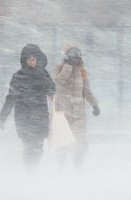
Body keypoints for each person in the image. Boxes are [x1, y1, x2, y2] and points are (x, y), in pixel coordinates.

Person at [0, 44, 56, 173]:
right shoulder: (18, 76)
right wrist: (3, 116)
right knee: (29, 146)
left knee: (39, 147)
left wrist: (45, 76)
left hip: (40, 116)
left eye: (35, 59)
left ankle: (33, 170)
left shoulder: (42, 75)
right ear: (25, 60)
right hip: (24, 117)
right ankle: (30, 172)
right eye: (30, 59)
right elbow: (11, 97)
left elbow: (52, 91)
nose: (32, 61)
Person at [53, 46, 100, 174]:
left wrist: (94, 105)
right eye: (73, 56)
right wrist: (68, 66)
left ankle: (79, 172)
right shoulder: (59, 68)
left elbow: (87, 90)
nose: (76, 59)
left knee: (80, 146)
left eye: (78, 56)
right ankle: (60, 172)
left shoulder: (82, 71)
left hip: (79, 114)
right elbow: (58, 82)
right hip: (63, 113)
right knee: (62, 145)